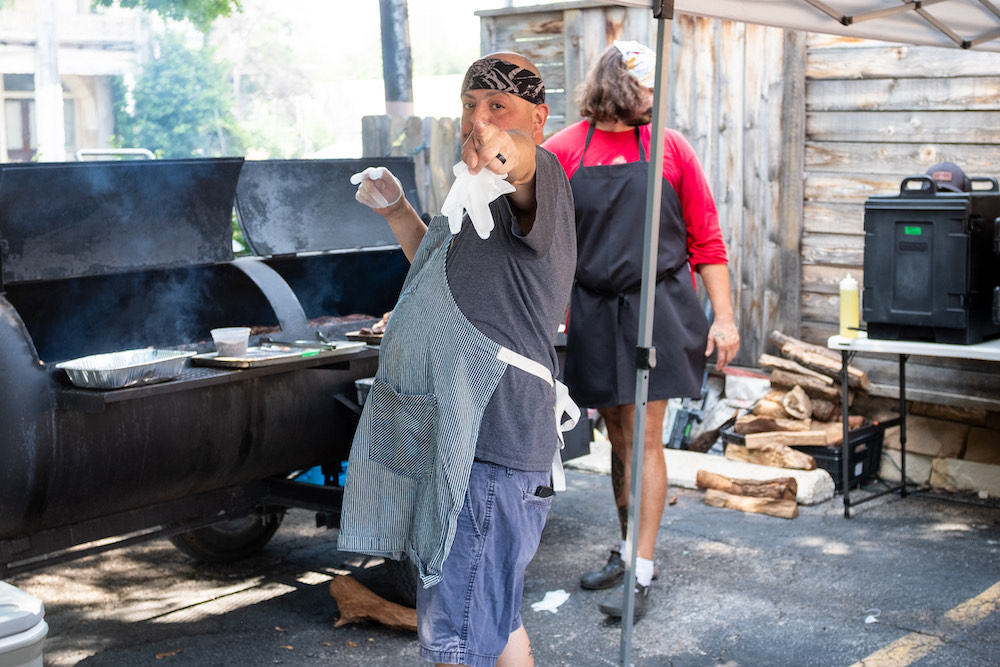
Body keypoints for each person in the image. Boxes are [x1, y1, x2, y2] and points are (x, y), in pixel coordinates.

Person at [337, 52, 577, 667]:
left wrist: (505, 148)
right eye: (471, 105)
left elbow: (522, 162)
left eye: (499, 105)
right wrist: (397, 211)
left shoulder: (539, 178)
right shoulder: (469, 194)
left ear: (539, 119)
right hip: (462, 436)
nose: (479, 118)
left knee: (457, 637)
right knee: (493, 617)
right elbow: (436, 272)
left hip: (493, 438)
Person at [542, 40, 740, 620]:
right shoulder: (563, 152)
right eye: (648, 85)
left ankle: (642, 572)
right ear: (620, 85)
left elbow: (707, 240)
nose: (654, 96)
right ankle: (629, 549)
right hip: (594, 311)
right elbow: (533, 232)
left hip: (658, 306)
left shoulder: (669, 148)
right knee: (620, 437)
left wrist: (723, 317)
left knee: (647, 435)